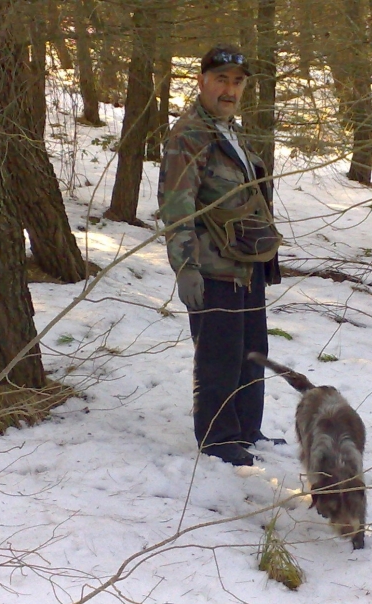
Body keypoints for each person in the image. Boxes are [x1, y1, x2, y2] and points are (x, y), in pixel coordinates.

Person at [158, 44, 285, 467]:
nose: (229, 89)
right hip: (213, 269)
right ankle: (218, 441)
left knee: (251, 353)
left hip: (246, 266)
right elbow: (178, 206)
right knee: (219, 358)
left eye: (237, 82)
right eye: (221, 80)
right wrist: (186, 268)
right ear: (202, 81)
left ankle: (248, 431)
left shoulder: (231, 131)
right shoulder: (190, 135)